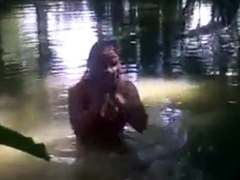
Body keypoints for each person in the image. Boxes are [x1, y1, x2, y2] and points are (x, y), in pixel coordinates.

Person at [68, 40, 148, 156]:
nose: (109, 71)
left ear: (120, 64)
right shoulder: (78, 91)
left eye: (113, 64)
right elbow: (78, 130)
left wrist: (121, 103)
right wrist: (97, 104)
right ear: (90, 66)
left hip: (118, 143)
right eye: (102, 65)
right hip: (88, 150)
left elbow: (142, 126)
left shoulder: (127, 88)